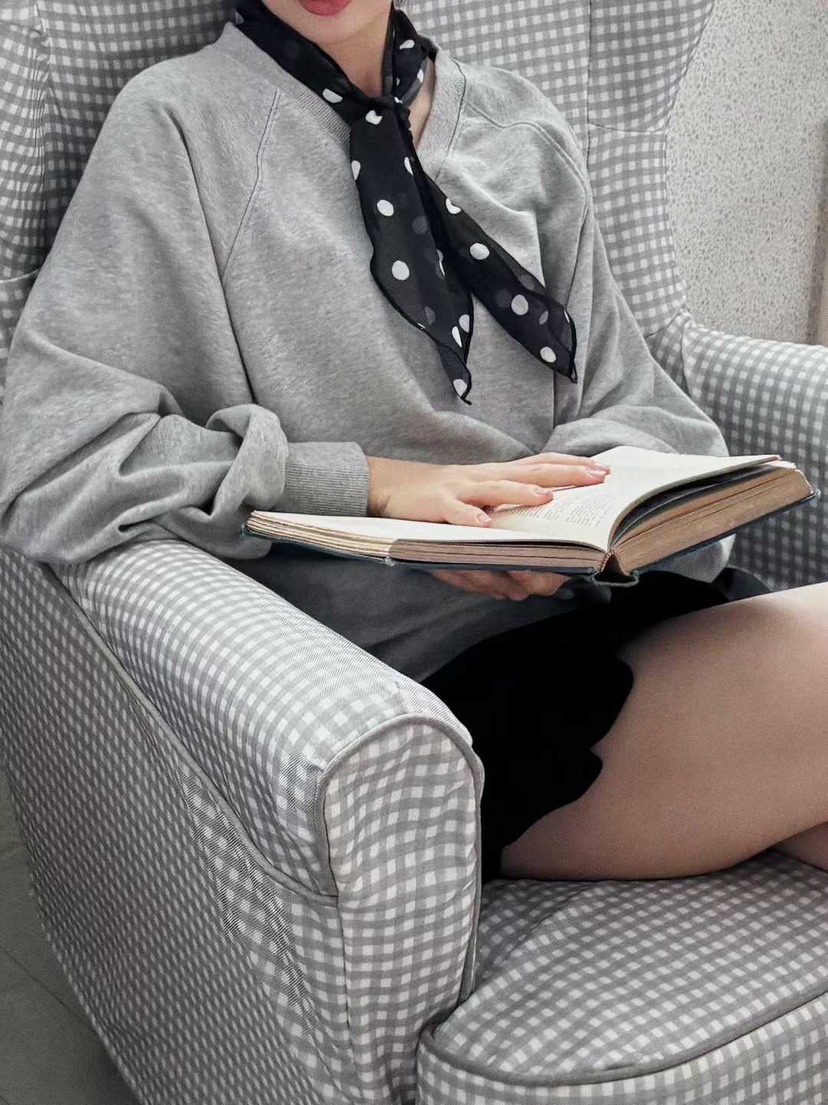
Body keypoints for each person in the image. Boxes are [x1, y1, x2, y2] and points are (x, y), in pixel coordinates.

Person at [1, 0, 827, 886]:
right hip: (436, 698)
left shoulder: (517, 124)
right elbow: (56, 452)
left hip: (637, 612)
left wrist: (554, 511)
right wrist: (373, 484)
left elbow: (633, 394)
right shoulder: (177, 126)